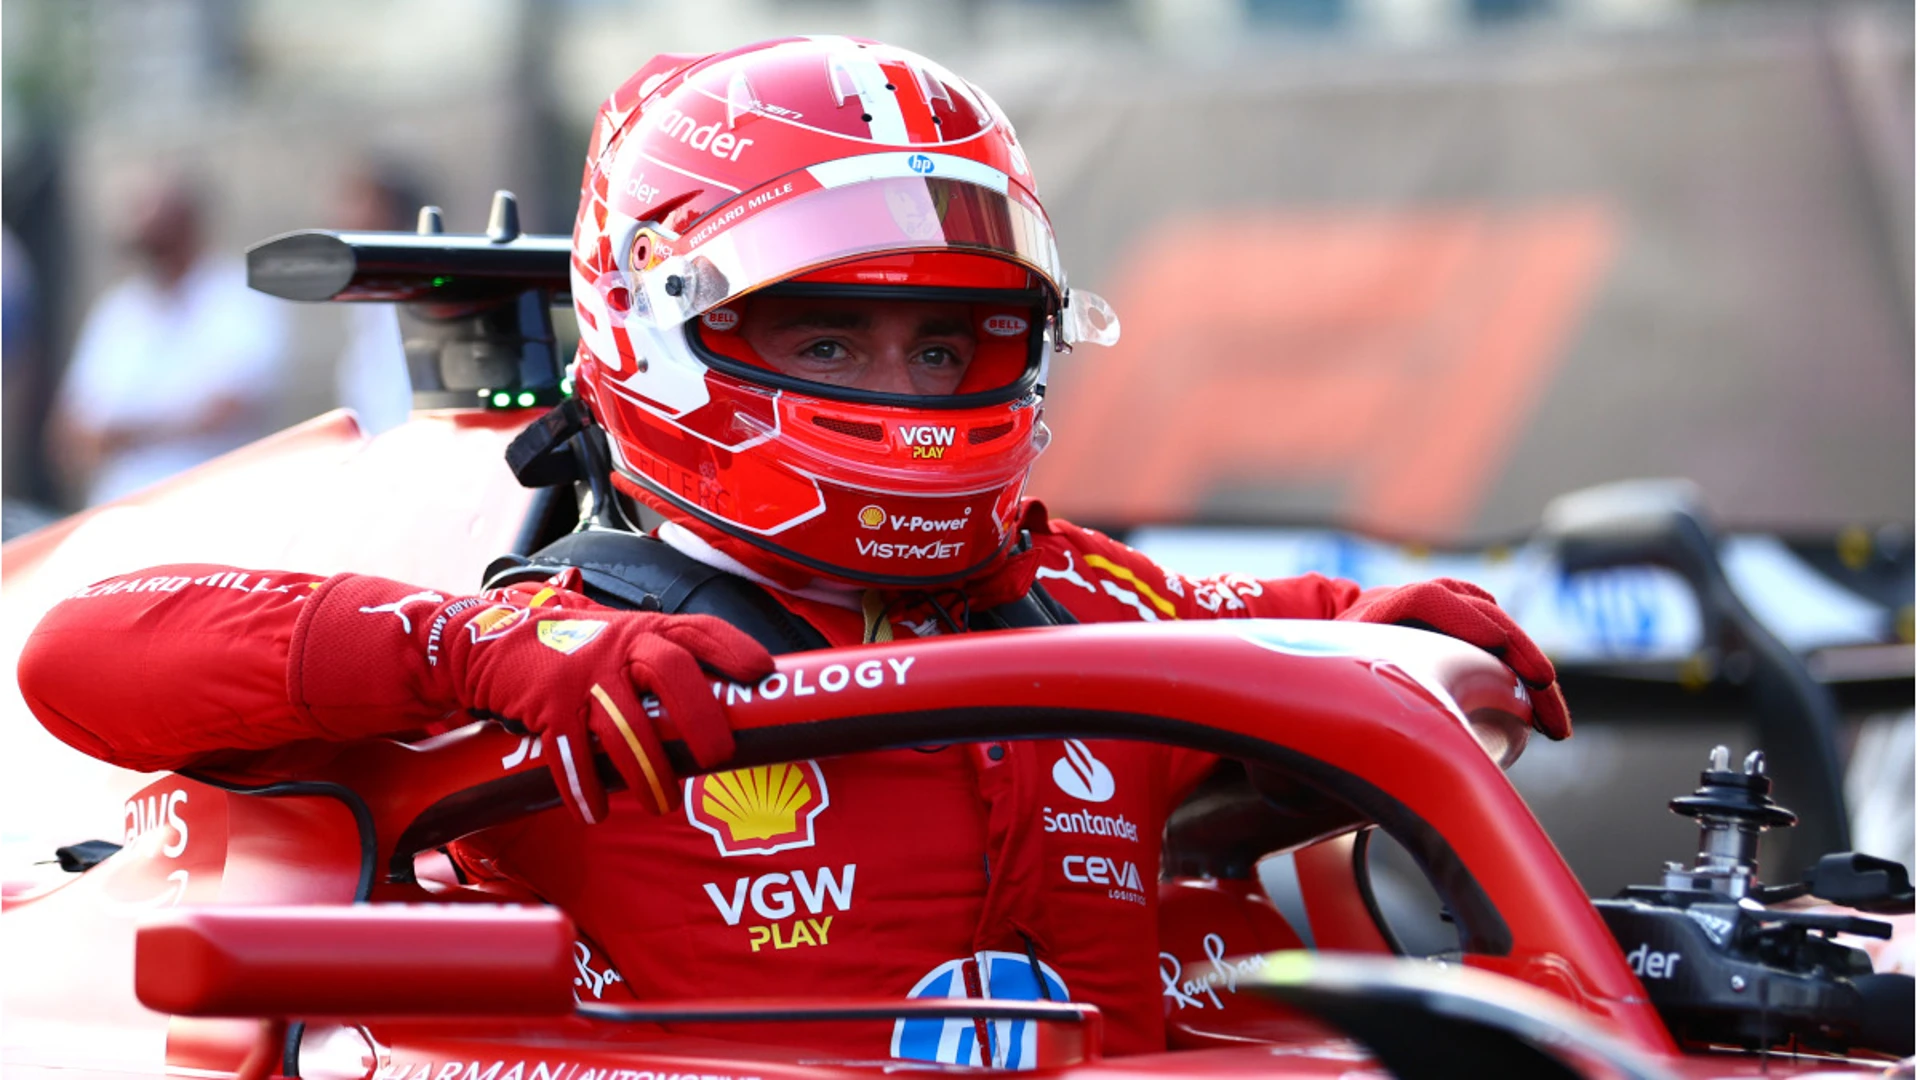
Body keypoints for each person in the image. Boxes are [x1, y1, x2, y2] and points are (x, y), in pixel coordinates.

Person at [17, 39, 1569, 1067]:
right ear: (660, 323)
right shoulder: (544, 653)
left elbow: (1294, 619)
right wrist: (486, 656)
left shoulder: (1091, 599)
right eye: (832, 334)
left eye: (953, 344)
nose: (905, 393)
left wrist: (1393, 623)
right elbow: (80, 651)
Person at [48, 171, 289, 506]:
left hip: (218, 507)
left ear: (189, 225)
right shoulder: (118, 310)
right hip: (119, 514)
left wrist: (123, 436)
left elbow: (232, 407)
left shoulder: (239, 297)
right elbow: (71, 432)